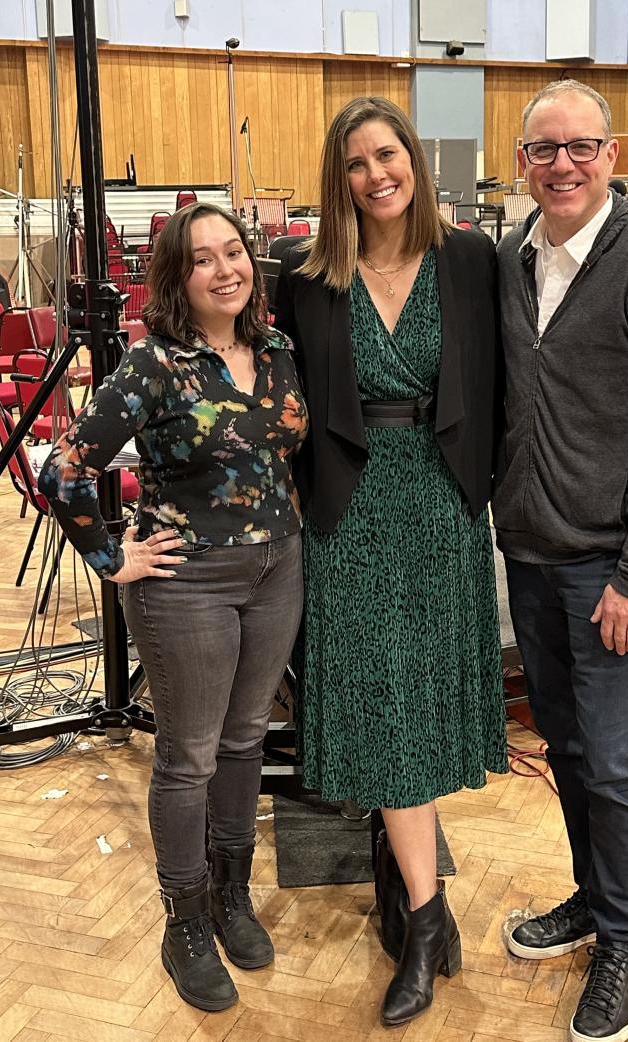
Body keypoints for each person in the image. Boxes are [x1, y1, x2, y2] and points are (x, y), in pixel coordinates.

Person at [37, 203, 308, 1013]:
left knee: (244, 740)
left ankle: (231, 894)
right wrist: (112, 558)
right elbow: (63, 470)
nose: (225, 269)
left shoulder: (278, 349)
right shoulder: (154, 364)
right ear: (176, 278)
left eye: (235, 253)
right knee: (188, 756)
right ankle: (184, 919)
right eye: (202, 259)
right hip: (186, 584)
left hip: (277, 570)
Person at [273, 96, 508, 1026]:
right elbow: (275, 391)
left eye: (388, 154)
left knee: (417, 711)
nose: (377, 175)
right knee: (384, 712)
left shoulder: (474, 263)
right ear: (340, 182)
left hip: (443, 502)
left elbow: (509, 382)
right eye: (357, 164)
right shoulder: (307, 277)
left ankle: (420, 911)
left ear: (414, 159)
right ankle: (425, 916)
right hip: (351, 509)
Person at [494, 80, 628, 1042]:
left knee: (620, 764)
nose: (563, 165)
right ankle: (593, 898)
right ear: (521, 164)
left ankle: (624, 940)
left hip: (607, 572)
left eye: (580, 146)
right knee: (568, 750)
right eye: (544, 150)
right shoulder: (511, 260)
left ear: (612, 156)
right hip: (531, 554)